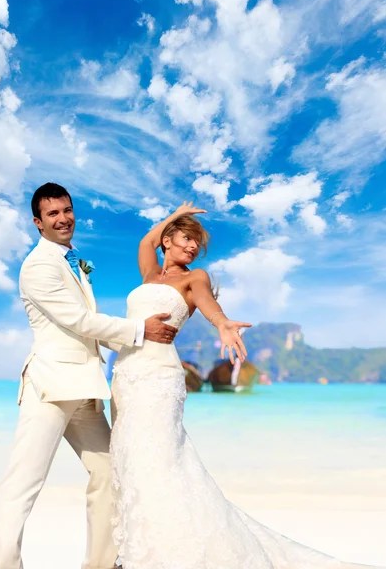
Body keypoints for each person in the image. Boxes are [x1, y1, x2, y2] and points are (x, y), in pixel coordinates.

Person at [110, 202, 383, 569]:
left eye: (197, 243)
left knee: (160, 459)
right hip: (127, 376)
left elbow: (208, 305)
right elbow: (146, 240)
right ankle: (135, 546)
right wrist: (174, 215)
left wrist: (222, 323)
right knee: (132, 459)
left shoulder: (195, 278)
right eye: (186, 238)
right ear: (168, 241)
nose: (192, 247)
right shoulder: (148, 276)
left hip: (159, 377)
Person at [0, 183, 177, 569]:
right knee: (23, 484)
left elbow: (85, 325)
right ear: (37, 223)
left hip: (86, 388)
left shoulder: (74, 259)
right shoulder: (38, 265)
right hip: (51, 387)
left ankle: (101, 563)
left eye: (67, 210)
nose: (63, 218)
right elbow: (77, 320)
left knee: (110, 473)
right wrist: (139, 331)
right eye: (53, 213)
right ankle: (4, 563)